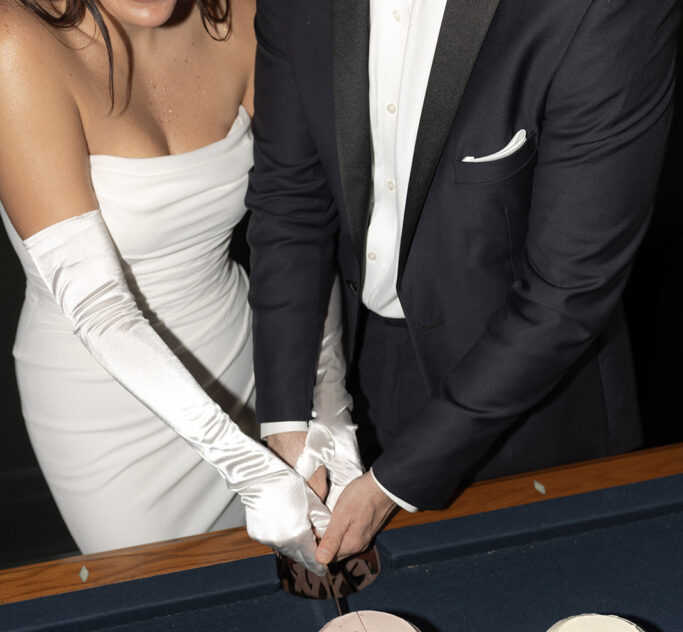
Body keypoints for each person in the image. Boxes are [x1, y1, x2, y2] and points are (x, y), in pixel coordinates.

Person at [245, 0, 680, 567]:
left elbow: (567, 292)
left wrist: (391, 484)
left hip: (536, 405)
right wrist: (285, 417)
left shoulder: (606, 10)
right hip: (365, 364)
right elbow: (290, 200)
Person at [0, 0, 360, 567]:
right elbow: (98, 306)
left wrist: (326, 397)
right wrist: (244, 465)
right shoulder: (13, 42)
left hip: (248, 357)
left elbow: (297, 219)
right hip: (105, 405)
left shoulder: (243, 11)